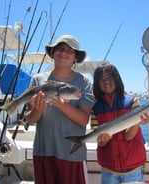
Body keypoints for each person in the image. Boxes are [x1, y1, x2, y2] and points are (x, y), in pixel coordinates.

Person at [26, 35, 95, 184]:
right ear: (53, 53)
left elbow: (84, 120)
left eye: (69, 50)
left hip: (72, 154)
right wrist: (38, 109)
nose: (63, 53)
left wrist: (63, 105)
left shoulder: (84, 82)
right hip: (43, 152)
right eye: (60, 49)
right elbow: (31, 119)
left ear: (75, 57)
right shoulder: (38, 79)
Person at [92, 63, 149, 184]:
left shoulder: (132, 101)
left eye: (109, 78)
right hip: (108, 168)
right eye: (101, 79)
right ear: (96, 84)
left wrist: (137, 122)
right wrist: (103, 140)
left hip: (133, 168)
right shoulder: (95, 108)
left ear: (116, 79)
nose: (106, 81)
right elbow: (100, 142)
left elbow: (128, 136)